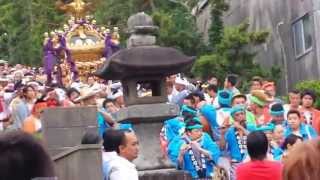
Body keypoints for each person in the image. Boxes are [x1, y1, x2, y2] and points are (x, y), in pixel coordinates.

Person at [220, 105, 256, 180]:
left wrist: (240, 127)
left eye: (242, 114)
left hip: (252, 162)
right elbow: (222, 147)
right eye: (237, 115)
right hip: (236, 164)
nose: (240, 116)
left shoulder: (252, 127)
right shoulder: (230, 131)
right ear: (233, 118)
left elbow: (255, 139)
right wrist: (222, 134)